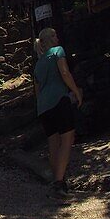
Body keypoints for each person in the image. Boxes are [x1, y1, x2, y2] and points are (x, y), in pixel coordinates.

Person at [33, 27, 83, 198]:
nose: (57, 36)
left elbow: (37, 90)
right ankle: (59, 182)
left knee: (53, 144)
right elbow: (64, 72)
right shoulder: (58, 51)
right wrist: (75, 91)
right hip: (59, 100)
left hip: (43, 108)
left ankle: (57, 180)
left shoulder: (38, 64)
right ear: (49, 40)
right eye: (54, 35)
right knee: (67, 139)